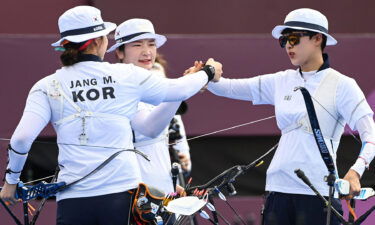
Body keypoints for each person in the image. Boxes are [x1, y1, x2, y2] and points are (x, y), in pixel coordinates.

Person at [0, 6, 222, 225]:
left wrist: (11, 181)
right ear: (99, 41)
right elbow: (179, 90)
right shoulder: (124, 74)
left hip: (72, 201)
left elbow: (21, 138)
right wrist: (208, 72)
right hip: (120, 196)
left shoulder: (46, 85)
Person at [205, 8, 375, 225]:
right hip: (277, 189)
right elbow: (227, 88)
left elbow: (371, 137)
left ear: (317, 39)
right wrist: (207, 75)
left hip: (318, 193)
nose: (288, 45)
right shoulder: (281, 80)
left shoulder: (343, 85)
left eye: (294, 38)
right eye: (284, 40)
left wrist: (355, 172)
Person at [107, 18, 191, 196]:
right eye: (137, 45)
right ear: (120, 53)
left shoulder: (156, 87)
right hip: (131, 195)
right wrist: (184, 87)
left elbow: (154, 148)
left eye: (152, 45)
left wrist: (169, 183)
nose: (147, 52)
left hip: (163, 191)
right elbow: (149, 130)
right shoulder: (116, 89)